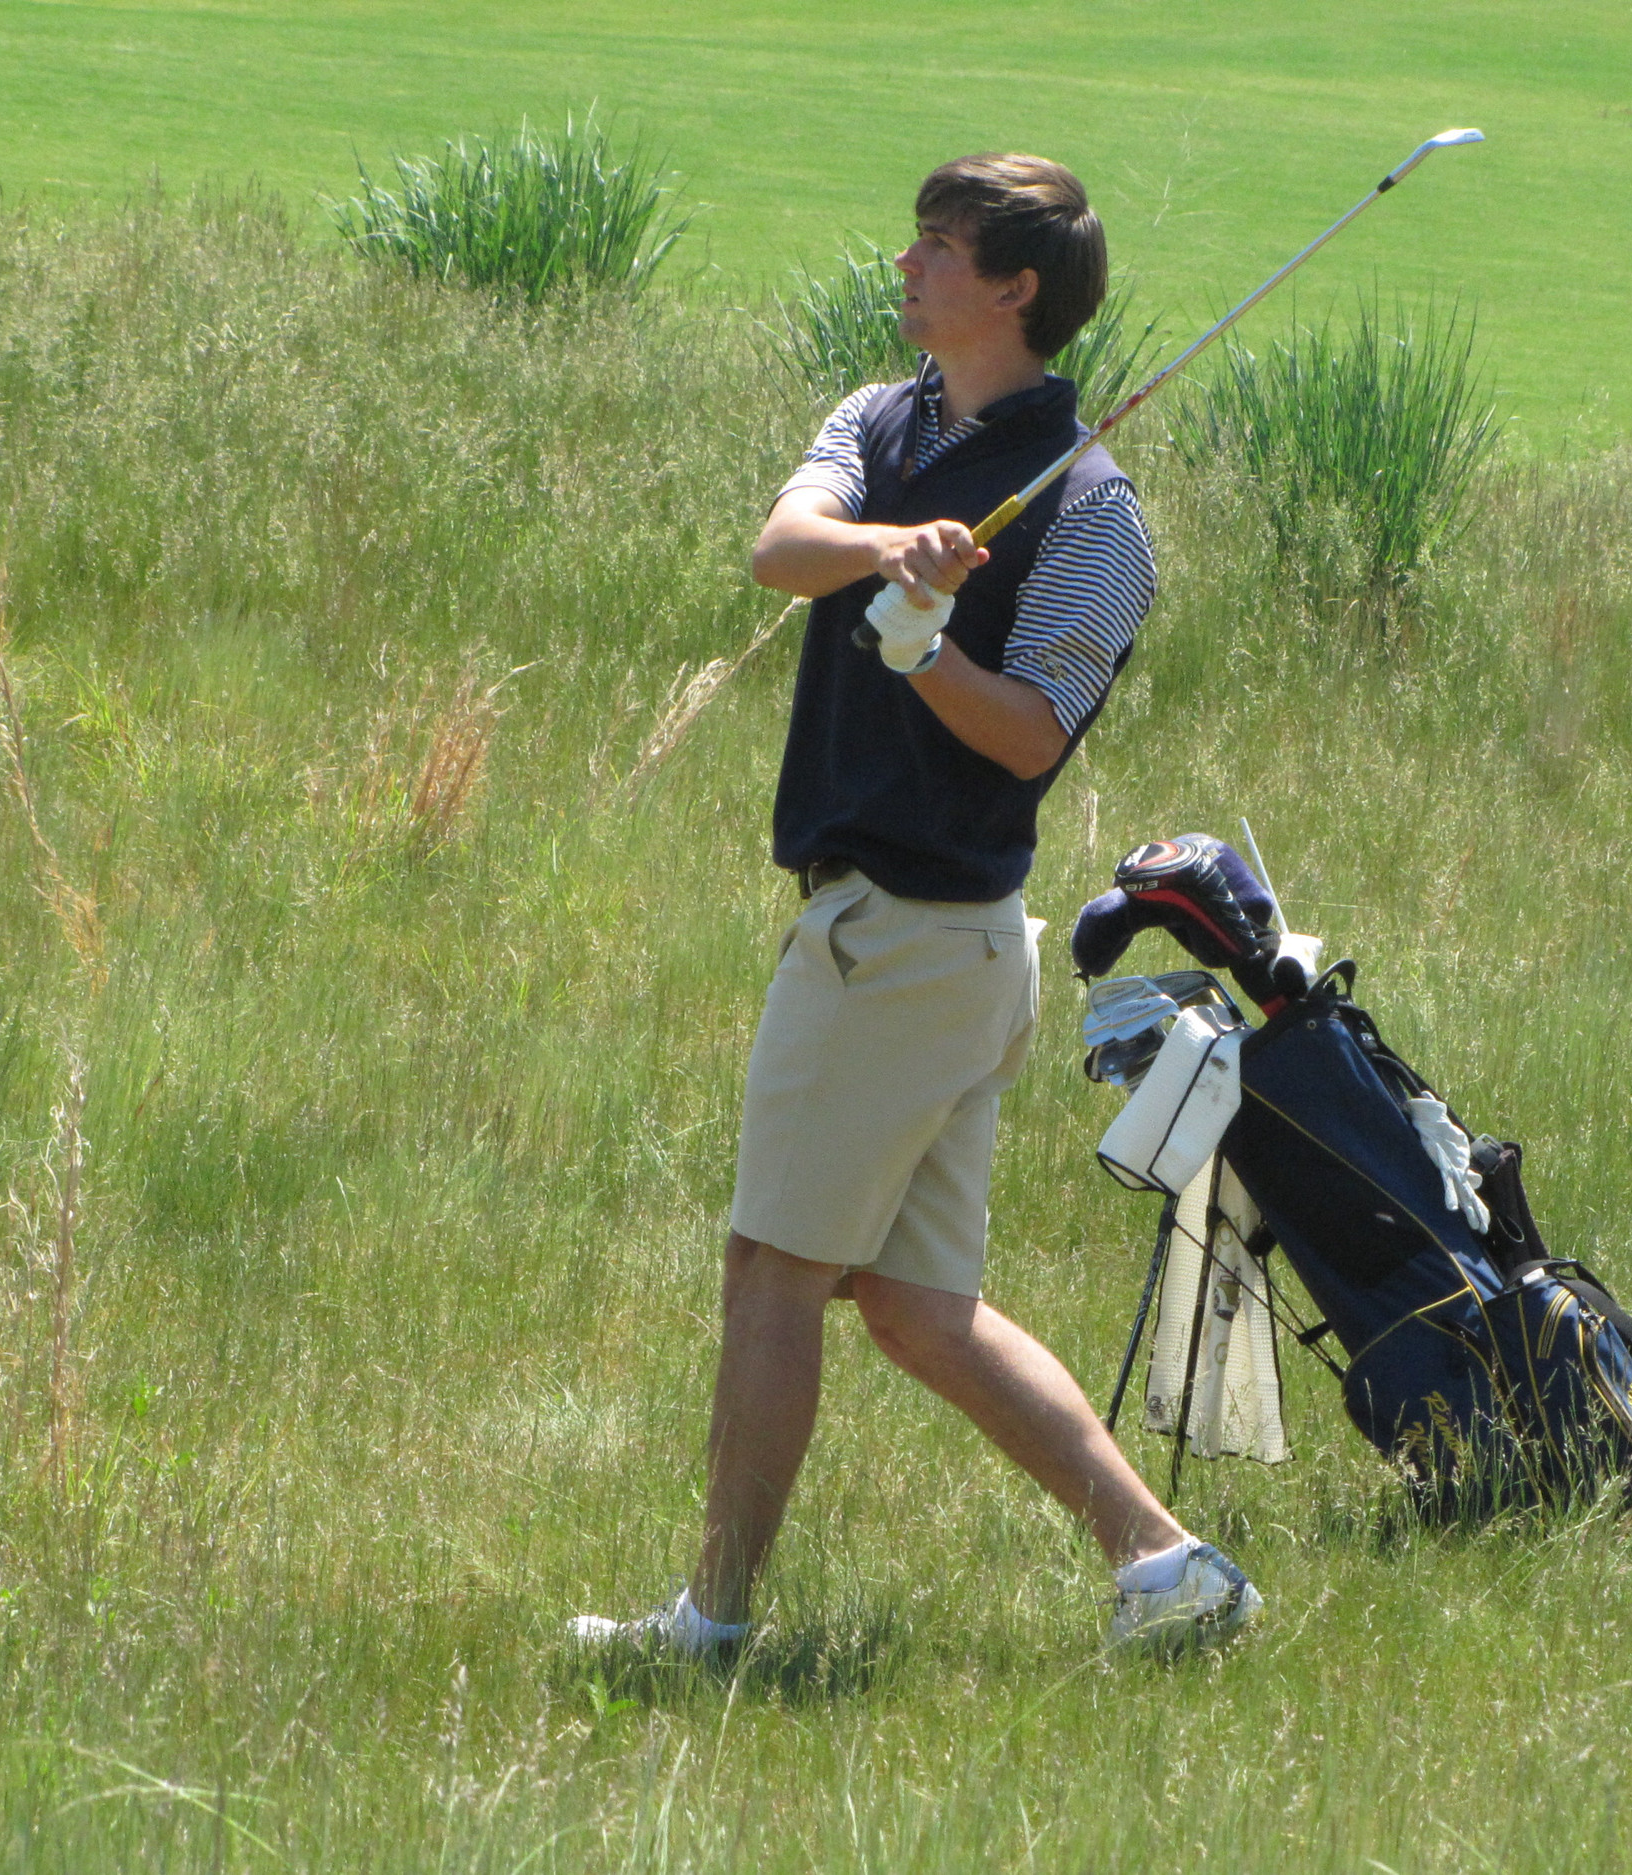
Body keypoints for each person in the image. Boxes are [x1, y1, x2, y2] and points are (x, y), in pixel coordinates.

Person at [568, 154, 1259, 1661]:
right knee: (916, 1313)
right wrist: (899, 556)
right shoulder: (882, 422)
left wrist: (924, 653)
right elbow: (780, 549)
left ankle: (716, 1621)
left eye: (938, 250)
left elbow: (1030, 732)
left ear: (1014, 290)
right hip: (908, 944)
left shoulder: (1092, 515)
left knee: (773, 1272)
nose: (906, 266)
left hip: (910, 937)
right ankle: (1166, 1565)